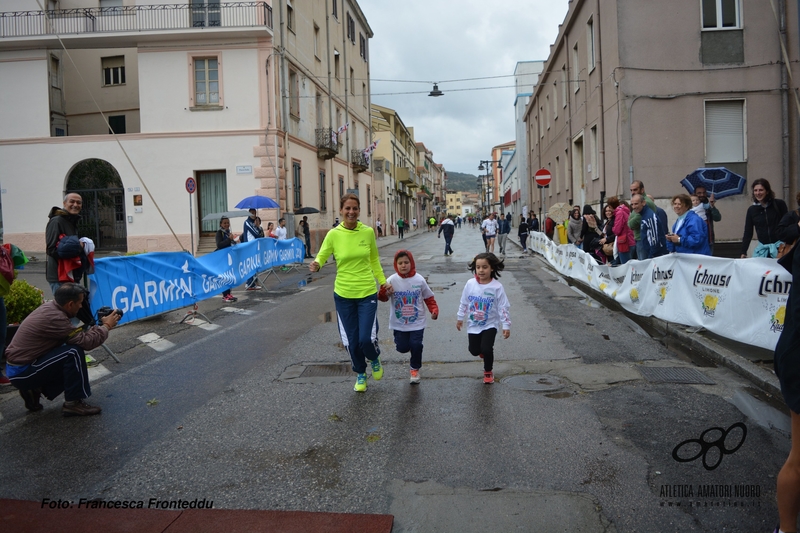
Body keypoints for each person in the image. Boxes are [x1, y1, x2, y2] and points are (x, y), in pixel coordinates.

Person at [310, 194, 392, 393]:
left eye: (355, 208)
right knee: (352, 341)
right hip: (344, 294)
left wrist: (383, 283)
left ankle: (374, 357)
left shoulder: (368, 232)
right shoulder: (334, 234)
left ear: (359, 210)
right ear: (341, 210)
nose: (351, 212)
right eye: (347, 208)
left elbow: (374, 260)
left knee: (366, 339)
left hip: (366, 293)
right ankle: (360, 373)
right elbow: (322, 254)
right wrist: (317, 264)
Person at [5, 283, 120, 416]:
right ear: (70, 304)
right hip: (22, 372)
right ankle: (73, 403)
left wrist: (99, 326)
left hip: (22, 366)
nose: (81, 306)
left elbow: (78, 336)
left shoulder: (51, 308)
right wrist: (106, 326)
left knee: (67, 348)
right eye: (80, 303)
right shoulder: (56, 318)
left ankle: (35, 389)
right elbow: (86, 342)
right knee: (73, 352)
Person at [378, 250, 439, 384]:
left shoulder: (419, 279)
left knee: (416, 344)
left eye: (406, 262)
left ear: (411, 263)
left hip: (417, 321)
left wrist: (434, 310)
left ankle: (414, 368)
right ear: (396, 264)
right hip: (399, 323)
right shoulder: (392, 280)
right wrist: (383, 291)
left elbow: (428, 297)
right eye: (400, 263)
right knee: (402, 348)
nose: (403, 265)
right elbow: (382, 298)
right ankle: (410, 347)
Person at [456, 253, 511, 384]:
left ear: (492, 268)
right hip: (473, 324)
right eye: (478, 267)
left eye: (484, 267)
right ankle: (482, 352)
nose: (481, 270)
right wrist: (460, 318)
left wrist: (506, 325)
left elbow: (503, 307)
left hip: (490, 324)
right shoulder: (470, 284)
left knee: (487, 349)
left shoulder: (497, 287)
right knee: (474, 350)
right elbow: (464, 302)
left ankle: (488, 371)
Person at [45, 193, 85, 296]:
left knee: (74, 310)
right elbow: (51, 249)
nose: (75, 205)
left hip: (71, 274)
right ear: (64, 203)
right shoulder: (56, 221)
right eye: (72, 201)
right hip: (59, 277)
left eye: (78, 202)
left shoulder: (71, 221)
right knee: (64, 310)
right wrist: (78, 247)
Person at [741, 178, 788, 258]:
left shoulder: (779, 204)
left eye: (761, 190)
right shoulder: (752, 210)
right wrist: (743, 252)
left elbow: (787, 224)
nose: (758, 193)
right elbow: (748, 232)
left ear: (767, 191)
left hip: (780, 249)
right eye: (755, 190)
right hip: (763, 251)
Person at [630, 194, 667, 259]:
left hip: (654, 255)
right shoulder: (644, 215)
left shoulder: (649, 217)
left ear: (643, 203)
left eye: (636, 204)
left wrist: (651, 256)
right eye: (632, 204)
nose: (634, 207)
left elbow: (655, 239)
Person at [215, 217, 238, 303]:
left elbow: (230, 244)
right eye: (224, 223)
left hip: (229, 257)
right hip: (222, 258)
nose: (226, 224)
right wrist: (229, 239)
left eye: (228, 223)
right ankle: (225, 295)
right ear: (221, 224)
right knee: (225, 276)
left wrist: (234, 241)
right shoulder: (219, 233)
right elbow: (219, 245)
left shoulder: (228, 233)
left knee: (229, 275)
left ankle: (229, 293)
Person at [694, 186, 722, 254]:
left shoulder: (708, 205)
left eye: (704, 193)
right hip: (694, 240)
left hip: (709, 240)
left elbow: (718, 218)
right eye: (699, 193)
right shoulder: (689, 206)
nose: (702, 195)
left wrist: (712, 206)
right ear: (695, 194)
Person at [610, 197, 634, 265]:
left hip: (624, 242)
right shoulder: (625, 211)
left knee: (625, 266)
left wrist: (613, 228)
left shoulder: (619, 213)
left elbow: (617, 230)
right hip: (630, 240)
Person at [242, 209, 261, 290]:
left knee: (254, 265)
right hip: (249, 247)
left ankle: (252, 283)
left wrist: (257, 226)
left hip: (254, 246)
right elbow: (256, 234)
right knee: (250, 265)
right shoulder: (247, 222)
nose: (253, 214)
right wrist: (256, 227)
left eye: (254, 213)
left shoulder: (253, 223)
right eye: (251, 213)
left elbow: (259, 232)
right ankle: (249, 283)